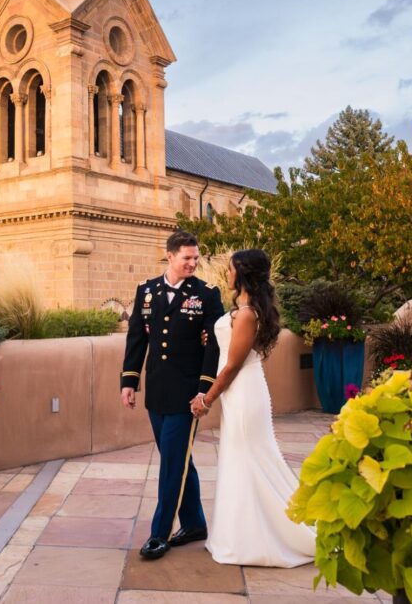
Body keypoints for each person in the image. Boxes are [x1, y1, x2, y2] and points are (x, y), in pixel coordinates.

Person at [190, 249, 315, 567]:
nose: (227, 274)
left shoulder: (246, 314)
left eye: (231, 269)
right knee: (240, 460)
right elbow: (229, 346)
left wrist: (206, 399)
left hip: (243, 391)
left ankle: (263, 539)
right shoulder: (242, 310)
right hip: (240, 392)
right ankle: (241, 536)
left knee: (250, 460)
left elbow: (232, 366)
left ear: (242, 273)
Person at [120, 230, 224, 560]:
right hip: (157, 392)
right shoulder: (146, 291)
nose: (193, 263)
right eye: (187, 258)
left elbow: (215, 346)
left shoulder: (207, 294)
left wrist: (204, 390)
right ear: (170, 256)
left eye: (196, 258)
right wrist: (129, 381)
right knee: (177, 461)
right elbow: (137, 338)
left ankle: (159, 533)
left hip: (186, 395)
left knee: (171, 466)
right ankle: (194, 524)